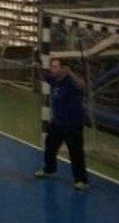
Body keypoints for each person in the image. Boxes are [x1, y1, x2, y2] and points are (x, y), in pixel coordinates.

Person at [35, 58, 89, 191]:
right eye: (52, 67)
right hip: (57, 123)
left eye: (55, 67)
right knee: (50, 147)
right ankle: (49, 169)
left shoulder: (71, 81)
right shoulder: (54, 79)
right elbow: (44, 76)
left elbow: (82, 86)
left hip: (73, 124)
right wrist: (37, 67)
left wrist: (70, 73)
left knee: (76, 153)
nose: (53, 69)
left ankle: (81, 180)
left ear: (63, 68)